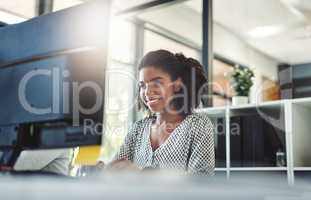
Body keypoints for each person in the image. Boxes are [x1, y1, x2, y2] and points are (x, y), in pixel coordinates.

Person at [99, 49, 215, 175]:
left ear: (177, 85)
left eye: (157, 82)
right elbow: (117, 168)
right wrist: (104, 169)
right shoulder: (138, 128)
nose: (147, 92)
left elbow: (202, 180)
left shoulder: (198, 125)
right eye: (142, 85)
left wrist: (141, 176)